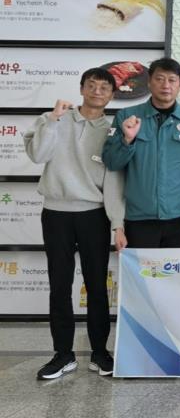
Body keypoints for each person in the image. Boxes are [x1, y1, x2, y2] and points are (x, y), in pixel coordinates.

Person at [25, 68, 126, 380]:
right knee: (59, 285)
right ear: (81, 88)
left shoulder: (112, 131)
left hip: (94, 214)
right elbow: (38, 155)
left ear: (112, 95)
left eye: (104, 87)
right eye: (91, 85)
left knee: (97, 285)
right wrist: (54, 120)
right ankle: (63, 354)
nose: (97, 91)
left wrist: (117, 223)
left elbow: (114, 181)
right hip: (56, 212)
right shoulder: (54, 118)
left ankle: (100, 352)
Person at [102, 58, 180, 248]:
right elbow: (112, 162)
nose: (165, 85)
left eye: (172, 80)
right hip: (139, 217)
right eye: (159, 79)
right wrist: (127, 140)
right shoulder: (126, 116)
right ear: (149, 82)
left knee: (177, 268)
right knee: (142, 268)